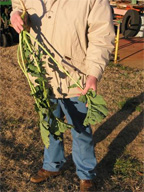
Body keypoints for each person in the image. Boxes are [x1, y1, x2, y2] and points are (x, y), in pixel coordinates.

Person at [10, 0, 115, 191]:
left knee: (80, 128)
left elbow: (102, 37)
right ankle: (52, 165)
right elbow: (18, 4)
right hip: (42, 75)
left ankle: (86, 174)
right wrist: (15, 14)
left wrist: (93, 73)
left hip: (74, 76)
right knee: (50, 122)